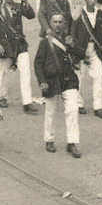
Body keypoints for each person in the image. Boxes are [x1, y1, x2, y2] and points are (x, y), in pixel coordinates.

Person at [33, 11, 82, 157]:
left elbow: (81, 54)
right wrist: (42, 81)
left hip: (68, 80)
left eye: (60, 22)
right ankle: (49, 139)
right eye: (55, 22)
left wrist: (72, 45)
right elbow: (38, 63)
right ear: (50, 23)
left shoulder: (69, 39)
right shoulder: (45, 42)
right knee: (50, 112)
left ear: (64, 23)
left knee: (72, 110)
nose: (58, 25)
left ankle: (72, 142)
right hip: (51, 80)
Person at [0, 0, 38, 113]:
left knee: (26, 72)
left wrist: (25, 2)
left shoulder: (18, 6)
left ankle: (27, 102)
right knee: (5, 74)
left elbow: (31, 15)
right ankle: (3, 97)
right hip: (6, 47)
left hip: (20, 45)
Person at [70, 0, 102, 117]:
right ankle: (79, 104)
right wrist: (76, 51)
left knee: (99, 76)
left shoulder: (100, 14)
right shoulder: (79, 14)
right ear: (85, 0)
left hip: (95, 50)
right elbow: (73, 34)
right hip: (81, 50)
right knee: (80, 78)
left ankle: (98, 107)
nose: (92, 0)